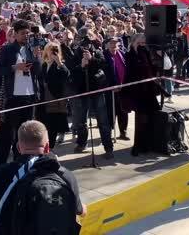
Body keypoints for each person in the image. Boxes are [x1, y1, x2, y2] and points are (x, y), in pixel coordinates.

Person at [0, 121, 85, 235]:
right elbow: (79, 210)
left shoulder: (0, 174)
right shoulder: (65, 175)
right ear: (47, 147)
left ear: (18, 147)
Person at [0, 20, 41, 167]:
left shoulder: (31, 49)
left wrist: (37, 57)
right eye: (23, 33)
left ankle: (21, 165)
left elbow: (39, 72)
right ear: (16, 34)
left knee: (25, 135)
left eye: (28, 33)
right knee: (6, 135)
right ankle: (0, 166)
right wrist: (15, 67)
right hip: (12, 98)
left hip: (29, 97)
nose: (26, 36)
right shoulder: (7, 50)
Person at [69, 28, 113, 159]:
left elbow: (105, 66)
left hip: (97, 90)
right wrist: (81, 66)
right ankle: (82, 143)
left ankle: (108, 147)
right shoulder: (75, 53)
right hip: (82, 92)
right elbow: (71, 73)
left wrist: (92, 59)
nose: (86, 43)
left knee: (103, 121)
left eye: (88, 38)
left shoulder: (97, 51)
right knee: (81, 121)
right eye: (83, 38)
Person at [124, 34, 161, 156]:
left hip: (149, 89)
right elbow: (130, 72)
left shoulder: (146, 52)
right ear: (133, 42)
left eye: (143, 43)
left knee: (151, 116)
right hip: (138, 91)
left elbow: (153, 67)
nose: (142, 45)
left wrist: (158, 59)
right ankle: (138, 146)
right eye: (139, 43)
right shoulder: (129, 55)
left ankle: (148, 144)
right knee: (141, 119)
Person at [36, 42, 70, 149]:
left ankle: (50, 148)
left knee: (53, 126)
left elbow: (66, 75)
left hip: (54, 98)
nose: (53, 51)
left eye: (55, 49)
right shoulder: (43, 64)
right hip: (42, 98)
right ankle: (44, 146)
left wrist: (59, 62)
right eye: (51, 49)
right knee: (43, 123)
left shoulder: (60, 63)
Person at [103, 36, 130, 140]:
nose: (114, 45)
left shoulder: (122, 54)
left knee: (123, 111)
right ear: (107, 44)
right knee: (110, 112)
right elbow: (104, 73)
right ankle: (108, 133)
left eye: (116, 43)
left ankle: (123, 132)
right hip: (111, 89)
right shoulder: (104, 55)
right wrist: (111, 85)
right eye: (111, 43)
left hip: (123, 87)